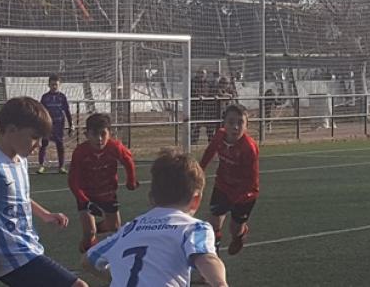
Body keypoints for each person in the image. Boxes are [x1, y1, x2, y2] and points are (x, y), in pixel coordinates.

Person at [0, 97, 85, 287]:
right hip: (12, 255)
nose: (37, 144)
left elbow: (21, 198)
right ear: (11, 130)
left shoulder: (20, 161)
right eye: (34, 137)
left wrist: (45, 215)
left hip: (28, 247)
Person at [85, 148, 228, 287]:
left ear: (151, 198)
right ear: (196, 200)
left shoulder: (129, 228)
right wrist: (220, 283)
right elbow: (206, 259)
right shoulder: (193, 228)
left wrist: (116, 277)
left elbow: (88, 259)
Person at [68, 113, 140, 252]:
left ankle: (93, 229)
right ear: (86, 134)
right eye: (94, 134)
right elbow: (73, 181)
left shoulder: (115, 147)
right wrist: (85, 200)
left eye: (103, 134)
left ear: (110, 133)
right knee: (89, 234)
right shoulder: (80, 152)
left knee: (114, 228)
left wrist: (131, 181)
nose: (99, 139)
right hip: (86, 194)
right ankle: (87, 248)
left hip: (107, 192)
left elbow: (128, 161)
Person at [200, 104, 260, 255]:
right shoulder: (220, 135)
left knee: (235, 228)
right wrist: (199, 171)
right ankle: (214, 259)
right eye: (231, 122)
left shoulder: (249, 148)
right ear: (224, 123)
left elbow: (250, 180)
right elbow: (209, 152)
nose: (235, 127)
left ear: (247, 126)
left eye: (240, 122)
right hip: (223, 186)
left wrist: (234, 198)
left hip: (245, 193)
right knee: (213, 224)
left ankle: (240, 235)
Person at [38, 74, 73, 174]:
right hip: (47, 125)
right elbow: (41, 112)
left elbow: (67, 111)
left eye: (56, 85)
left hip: (59, 125)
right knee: (44, 144)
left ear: (59, 85)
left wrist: (71, 124)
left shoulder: (62, 97)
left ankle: (61, 166)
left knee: (60, 144)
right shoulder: (45, 97)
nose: (54, 87)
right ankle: (41, 165)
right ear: (48, 85)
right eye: (52, 84)